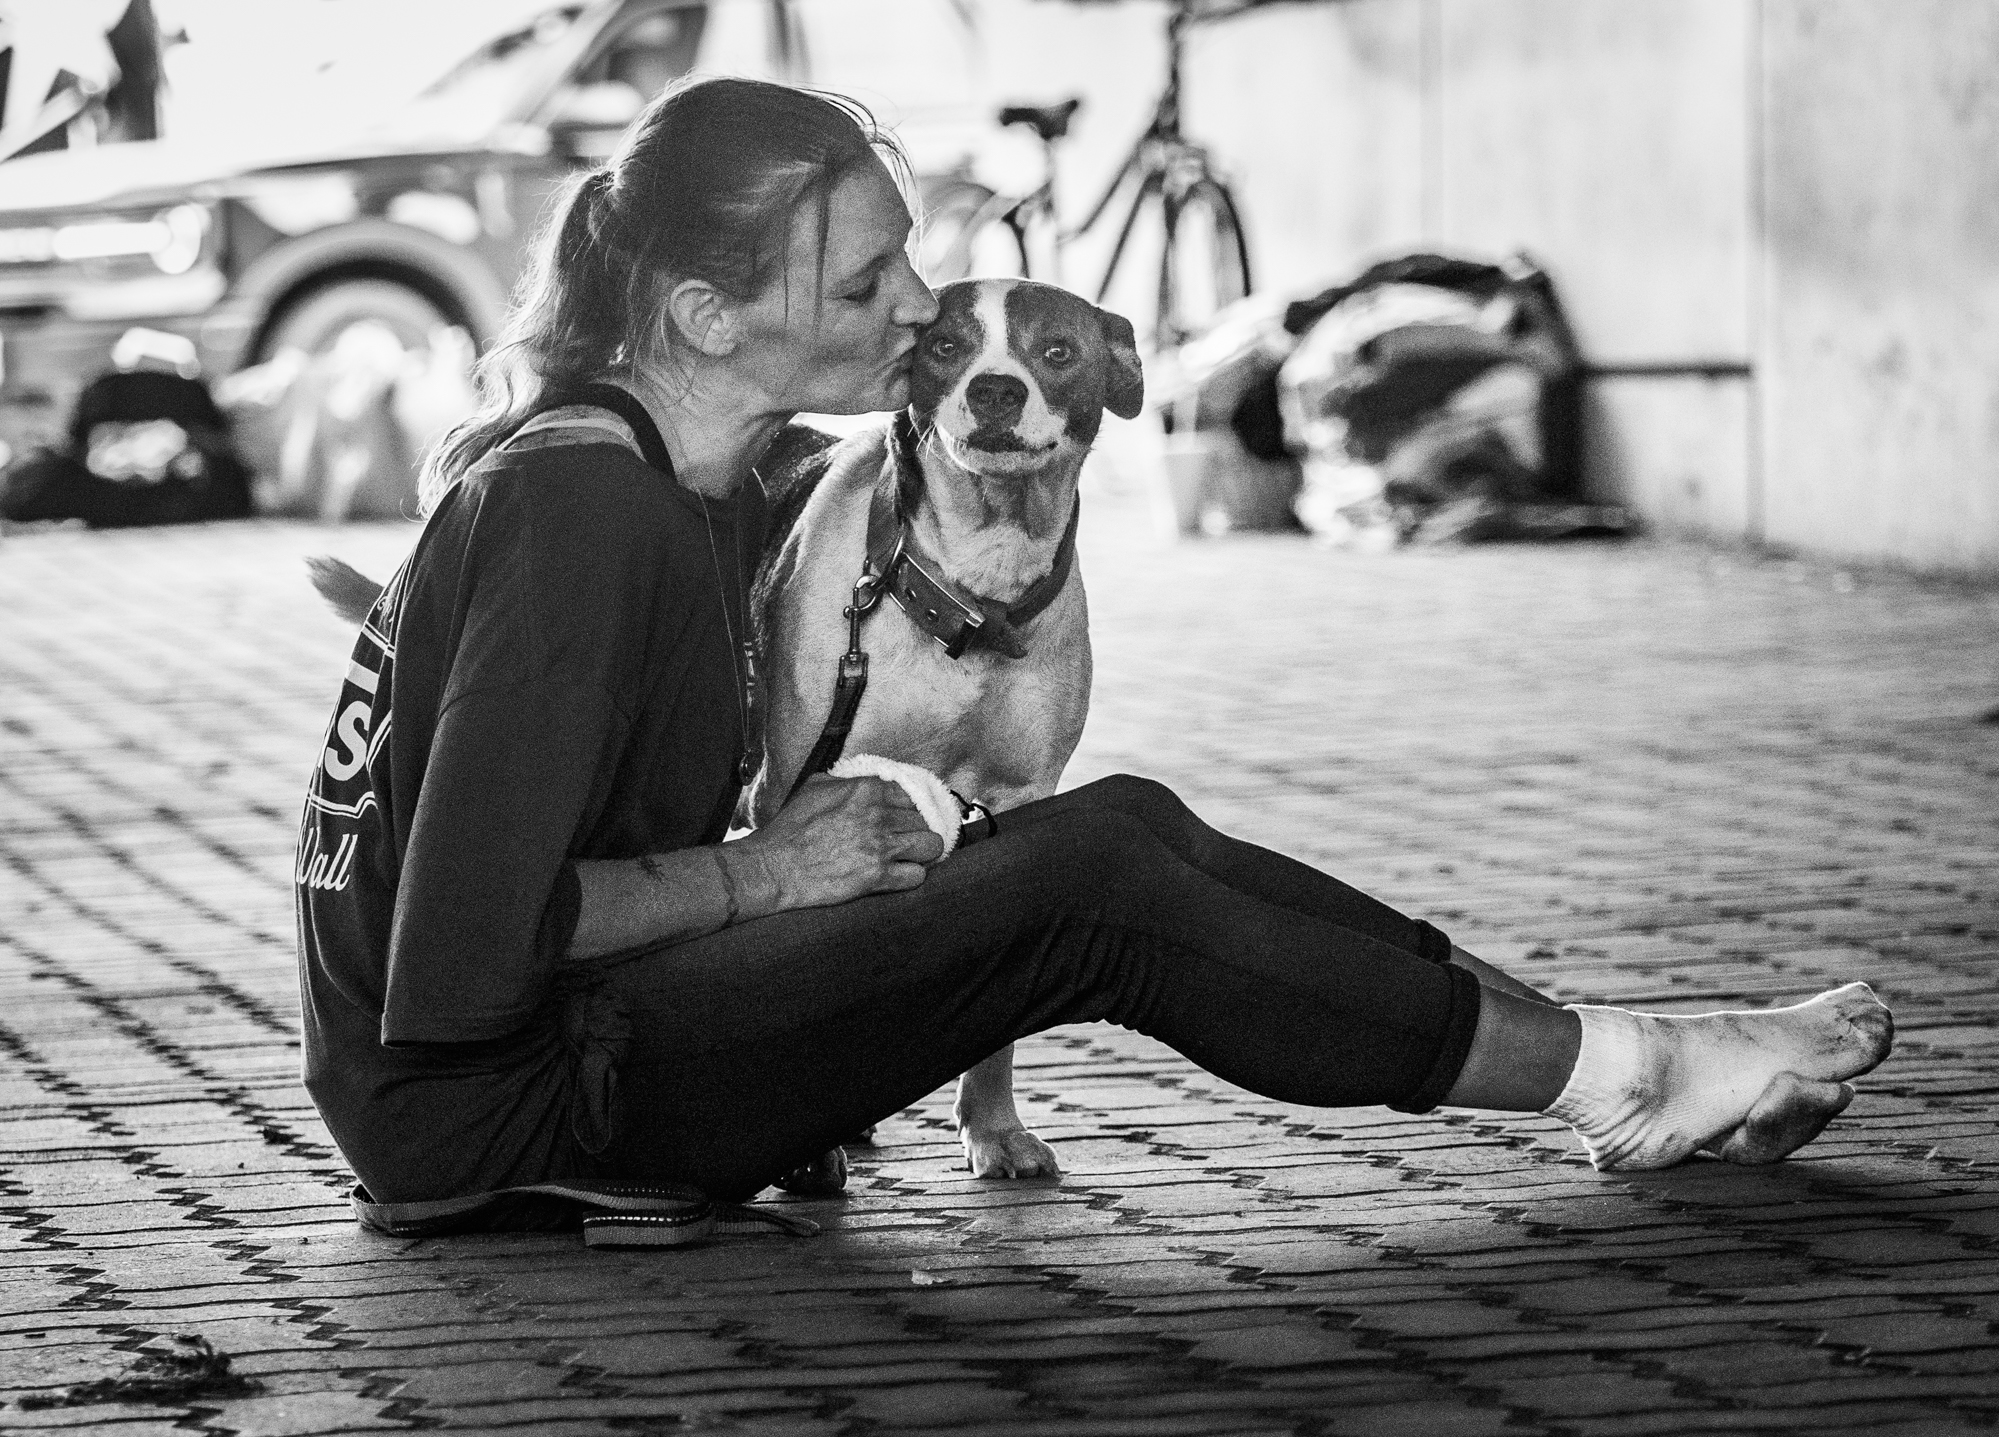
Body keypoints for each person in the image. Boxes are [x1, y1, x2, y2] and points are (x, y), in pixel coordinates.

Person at [294, 78, 1893, 1228]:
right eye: (866, 281)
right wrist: (761, 876)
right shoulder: (591, 512)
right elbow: (456, 955)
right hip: (500, 1110)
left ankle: (1630, 1053)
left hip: (578, 1043)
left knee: (1117, 821)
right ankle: (1630, 1070)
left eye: (908, 256)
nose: (922, 306)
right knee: (1087, 898)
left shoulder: (699, 473)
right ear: (710, 317)